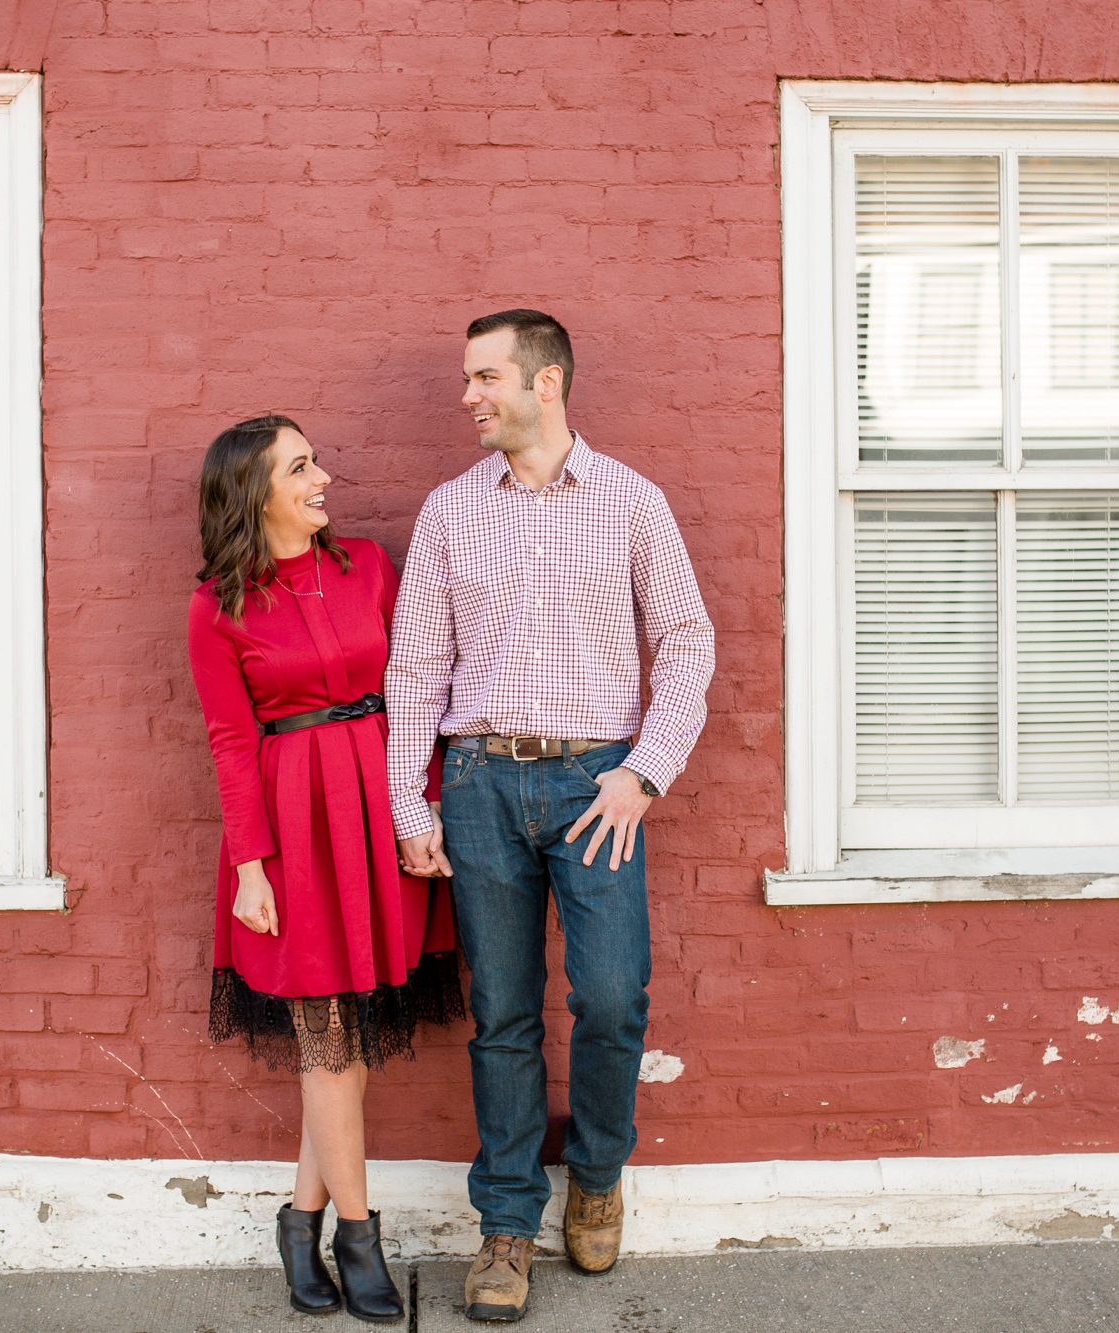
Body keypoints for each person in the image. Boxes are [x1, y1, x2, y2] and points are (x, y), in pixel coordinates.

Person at [385, 311, 714, 1323]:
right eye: (467, 378)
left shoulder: (628, 503)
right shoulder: (449, 512)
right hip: (480, 784)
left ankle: (599, 1174)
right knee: (504, 1016)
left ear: (547, 382)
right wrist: (410, 795)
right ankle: (505, 1224)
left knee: (612, 996)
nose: (467, 396)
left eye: (486, 377)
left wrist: (642, 773)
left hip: (595, 788)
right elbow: (416, 665)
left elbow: (688, 644)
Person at [187, 415, 463, 1324]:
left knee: (342, 1043)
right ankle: (356, 1234)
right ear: (254, 492)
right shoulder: (217, 608)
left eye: (316, 461)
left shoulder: (368, 569)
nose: (324, 478)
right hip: (295, 822)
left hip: (374, 807)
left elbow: (418, 689)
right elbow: (231, 743)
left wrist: (413, 807)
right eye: (301, 467)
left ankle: (299, 1223)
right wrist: (252, 868)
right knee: (327, 1041)